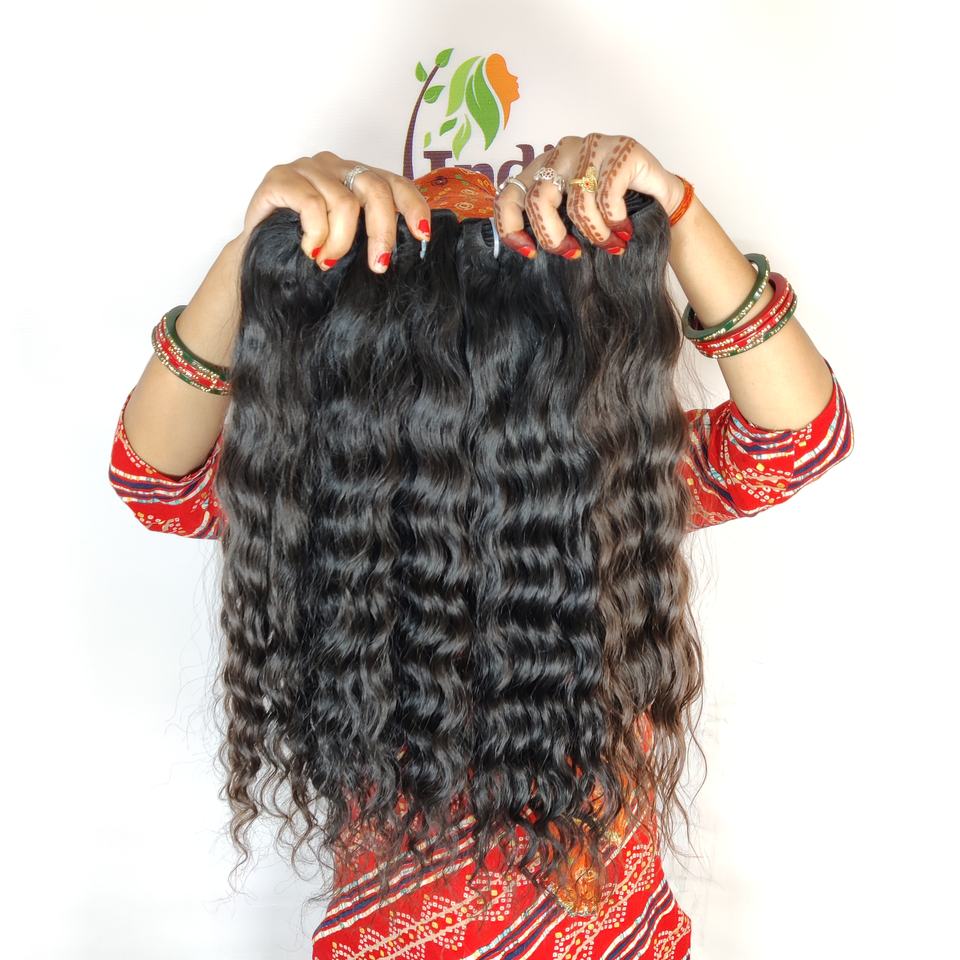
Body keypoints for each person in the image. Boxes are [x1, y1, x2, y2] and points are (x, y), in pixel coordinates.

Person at [107, 135, 854, 959]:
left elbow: (799, 437)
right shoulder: (324, 492)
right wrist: (248, 254)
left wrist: (678, 210)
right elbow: (155, 481)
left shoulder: (603, 481)